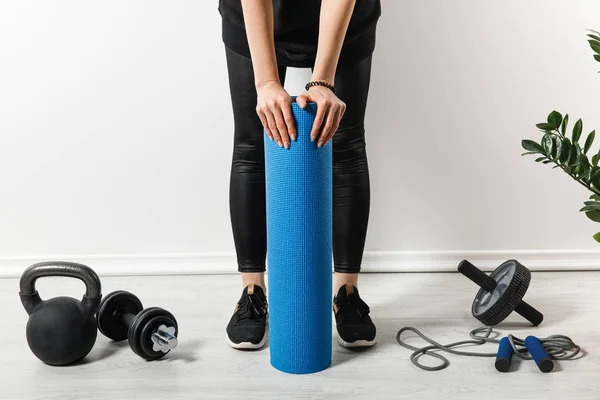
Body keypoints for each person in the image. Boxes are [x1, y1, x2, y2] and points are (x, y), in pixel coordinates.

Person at [219, 0, 381, 350]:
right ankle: (252, 291)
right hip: (257, 14)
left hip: (345, 17)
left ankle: (346, 291)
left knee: (347, 143)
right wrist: (265, 82)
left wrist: (322, 79)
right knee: (251, 144)